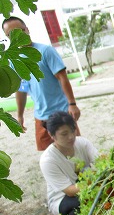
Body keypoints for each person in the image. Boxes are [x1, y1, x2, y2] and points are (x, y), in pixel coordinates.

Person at [2, 16, 81, 151]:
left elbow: (62, 77)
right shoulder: (14, 61)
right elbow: (20, 89)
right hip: (41, 116)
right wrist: (20, 115)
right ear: (7, 37)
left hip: (61, 112)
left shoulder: (45, 51)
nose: (17, 36)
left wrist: (72, 104)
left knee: (74, 151)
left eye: (20, 31)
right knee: (49, 154)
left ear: (27, 29)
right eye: (11, 34)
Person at [40, 111, 97, 215]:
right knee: (81, 206)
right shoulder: (48, 160)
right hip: (62, 197)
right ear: (51, 135)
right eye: (64, 134)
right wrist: (96, 183)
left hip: (87, 186)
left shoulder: (83, 143)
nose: (71, 137)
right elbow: (70, 191)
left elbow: (100, 161)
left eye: (72, 131)